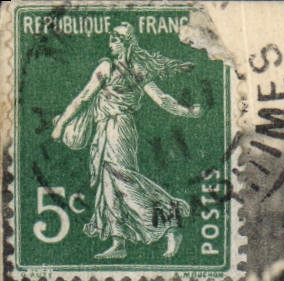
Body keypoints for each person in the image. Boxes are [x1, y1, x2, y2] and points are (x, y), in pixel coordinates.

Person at [51, 23, 202, 260]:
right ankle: (118, 241)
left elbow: (83, 98)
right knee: (109, 183)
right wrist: (187, 112)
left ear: (124, 44)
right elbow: (162, 100)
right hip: (109, 129)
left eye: (113, 40)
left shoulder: (109, 67)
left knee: (123, 180)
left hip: (117, 129)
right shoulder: (135, 69)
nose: (109, 44)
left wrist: (60, 126)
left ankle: (171, 221)